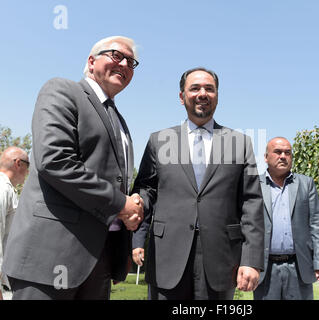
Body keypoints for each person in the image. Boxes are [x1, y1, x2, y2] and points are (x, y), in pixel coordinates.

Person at [2, 36, 144, 300]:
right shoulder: (63, 90)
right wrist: (120, 204)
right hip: (51, 256)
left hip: (99, 259)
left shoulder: (120, 121)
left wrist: (130, 210)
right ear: (91, 62)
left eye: (131, 62)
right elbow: (54, 160)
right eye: (116, 55)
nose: (124, 64)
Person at [131, 67, 264, 300]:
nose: (202, 93)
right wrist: (138, 225)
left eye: (209, 89)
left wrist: (251, 260)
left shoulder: (240, 143)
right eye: (195, 88)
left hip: (222, 259)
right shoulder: (159, 141)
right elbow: (146, 189)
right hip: (167, 256)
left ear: (217, 96)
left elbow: (251, 203)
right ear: (182, 97)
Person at [254, 137, 319, 300]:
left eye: (287, 153)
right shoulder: (254, 184)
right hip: (265, 269)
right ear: (266, 157)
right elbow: (245, 226)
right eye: (278, 152)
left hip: (299, 267)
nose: (283, 156)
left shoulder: (305, 184)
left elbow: (316, 225)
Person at [0, 147, 29, 300]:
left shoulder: (7, 189)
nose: (28, 173)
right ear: (18, 163)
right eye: (28, 166)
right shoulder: (2, 189)